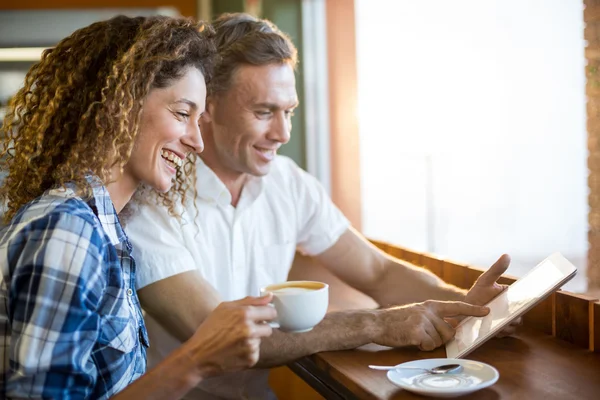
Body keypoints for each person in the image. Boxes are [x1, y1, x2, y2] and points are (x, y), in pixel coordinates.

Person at [126, 13, 513, 400]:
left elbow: (377, 272)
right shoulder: (147, 201)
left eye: (288, 111)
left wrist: (463, 304)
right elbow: (221, 336)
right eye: (263, 112)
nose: (283, 133)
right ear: (206, 106)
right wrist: (373, 325)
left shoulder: (289, 183)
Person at [0, 15, 276, 400]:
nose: (197, 140)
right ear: (120, 104)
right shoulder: (68, 230)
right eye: (182, 113)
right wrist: (197, 358)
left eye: (199, 120)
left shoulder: (106, 227)